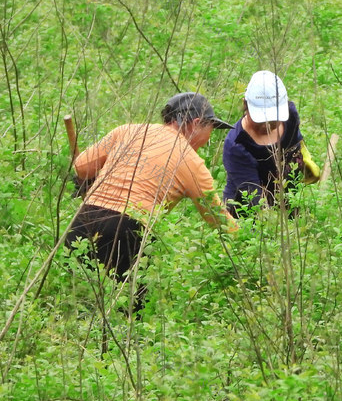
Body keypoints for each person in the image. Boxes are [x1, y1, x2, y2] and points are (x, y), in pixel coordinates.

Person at [67, 92, 238, 304]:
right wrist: (247, 243)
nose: (208, 140)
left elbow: (82, 167)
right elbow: (219, 220)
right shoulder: (190, 161)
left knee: (75, 305)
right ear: (195, 123)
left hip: (81, 221)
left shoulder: (126, 131)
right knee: (128, 314)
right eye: (210, 129)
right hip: (126, 231)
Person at [222, 70, 317, 217]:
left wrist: (303, 159)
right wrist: (272, 227)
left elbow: (296, 143)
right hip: (247, 215)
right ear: (245, 105)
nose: (267, 124)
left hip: (288, 202)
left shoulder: (290, 118)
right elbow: (255, 201)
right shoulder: (237, 144)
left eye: (273, 119)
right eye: (261, 119)